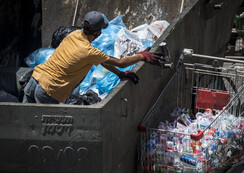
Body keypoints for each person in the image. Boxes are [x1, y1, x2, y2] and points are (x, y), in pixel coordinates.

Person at [23, 11, 163, 104]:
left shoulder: (73, 35)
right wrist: (142, 56)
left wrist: (120, 74)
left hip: (35, 79)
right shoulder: (89, 51)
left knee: (23, 125)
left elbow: (102, 62)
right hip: (48, 90)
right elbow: (120, 62)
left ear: (83, 25)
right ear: (97, 33)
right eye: (101, 30)